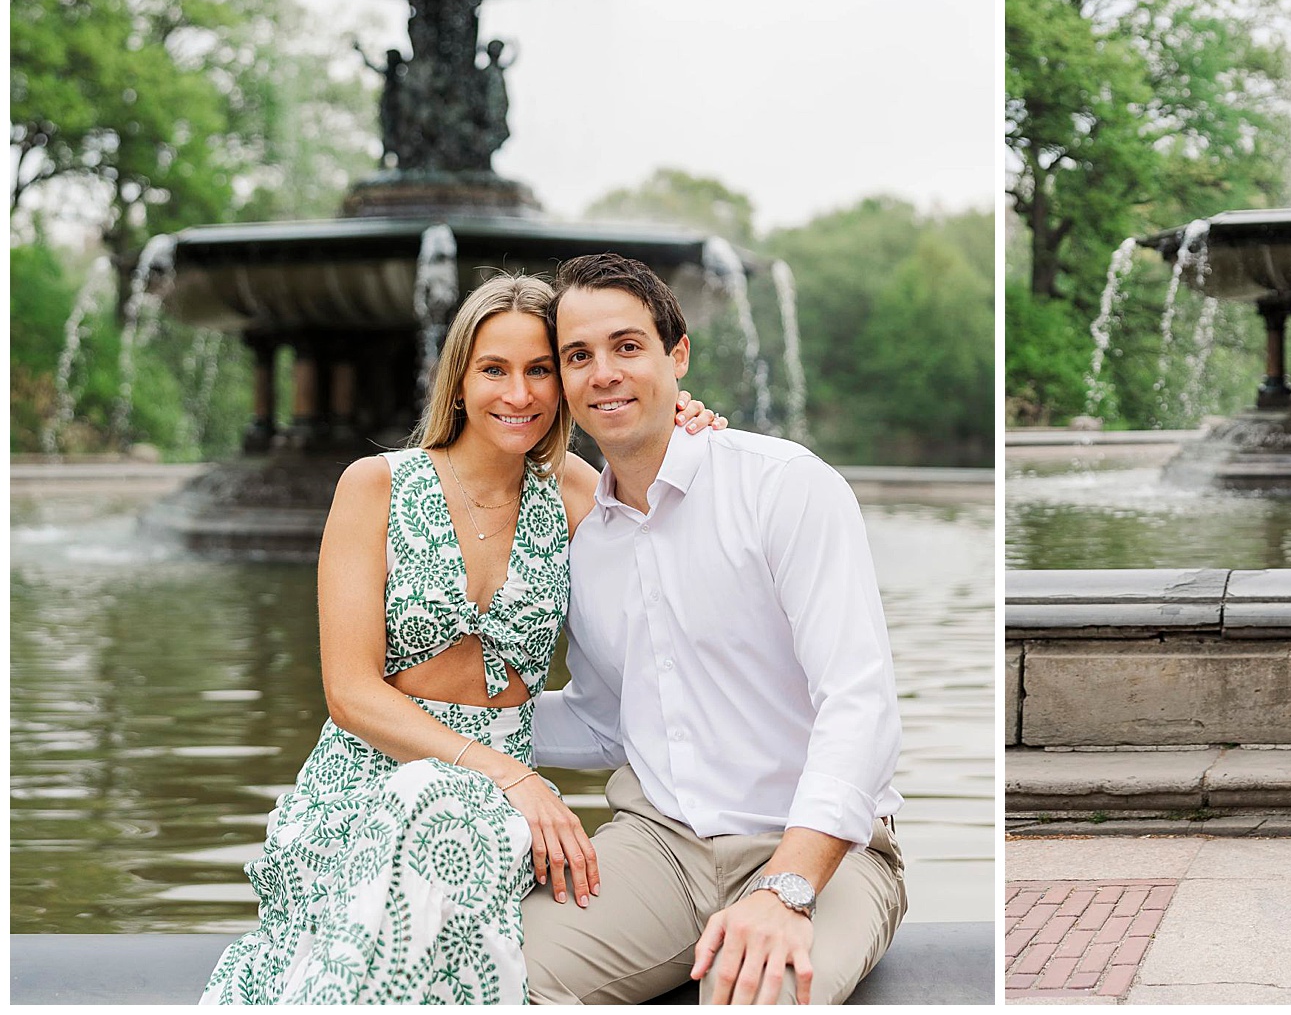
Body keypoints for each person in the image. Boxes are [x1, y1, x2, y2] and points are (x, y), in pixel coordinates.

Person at [202, 275, 723, 1003]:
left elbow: (673, 529)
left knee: (454, 829)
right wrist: (513, 776)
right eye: (494, 369)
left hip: (495, 803)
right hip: (370, 780)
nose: (520, 393)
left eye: (540, 369)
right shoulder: (376, 485)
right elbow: (349, 692)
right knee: (425, 806)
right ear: (458, 380)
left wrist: (683, 421)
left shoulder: (575, 489)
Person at [522, 253, 906, 1005]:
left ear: (678, 354)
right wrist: (445, 722)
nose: (603, 373)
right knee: (489, 975)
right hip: (658, 848)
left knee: (758, 999)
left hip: (822, 852)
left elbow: (859, 705)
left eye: (627, 347)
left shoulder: (784, 487)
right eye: (578, 355)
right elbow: (606, 724)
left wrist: (787, 888)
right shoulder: (588, 546)